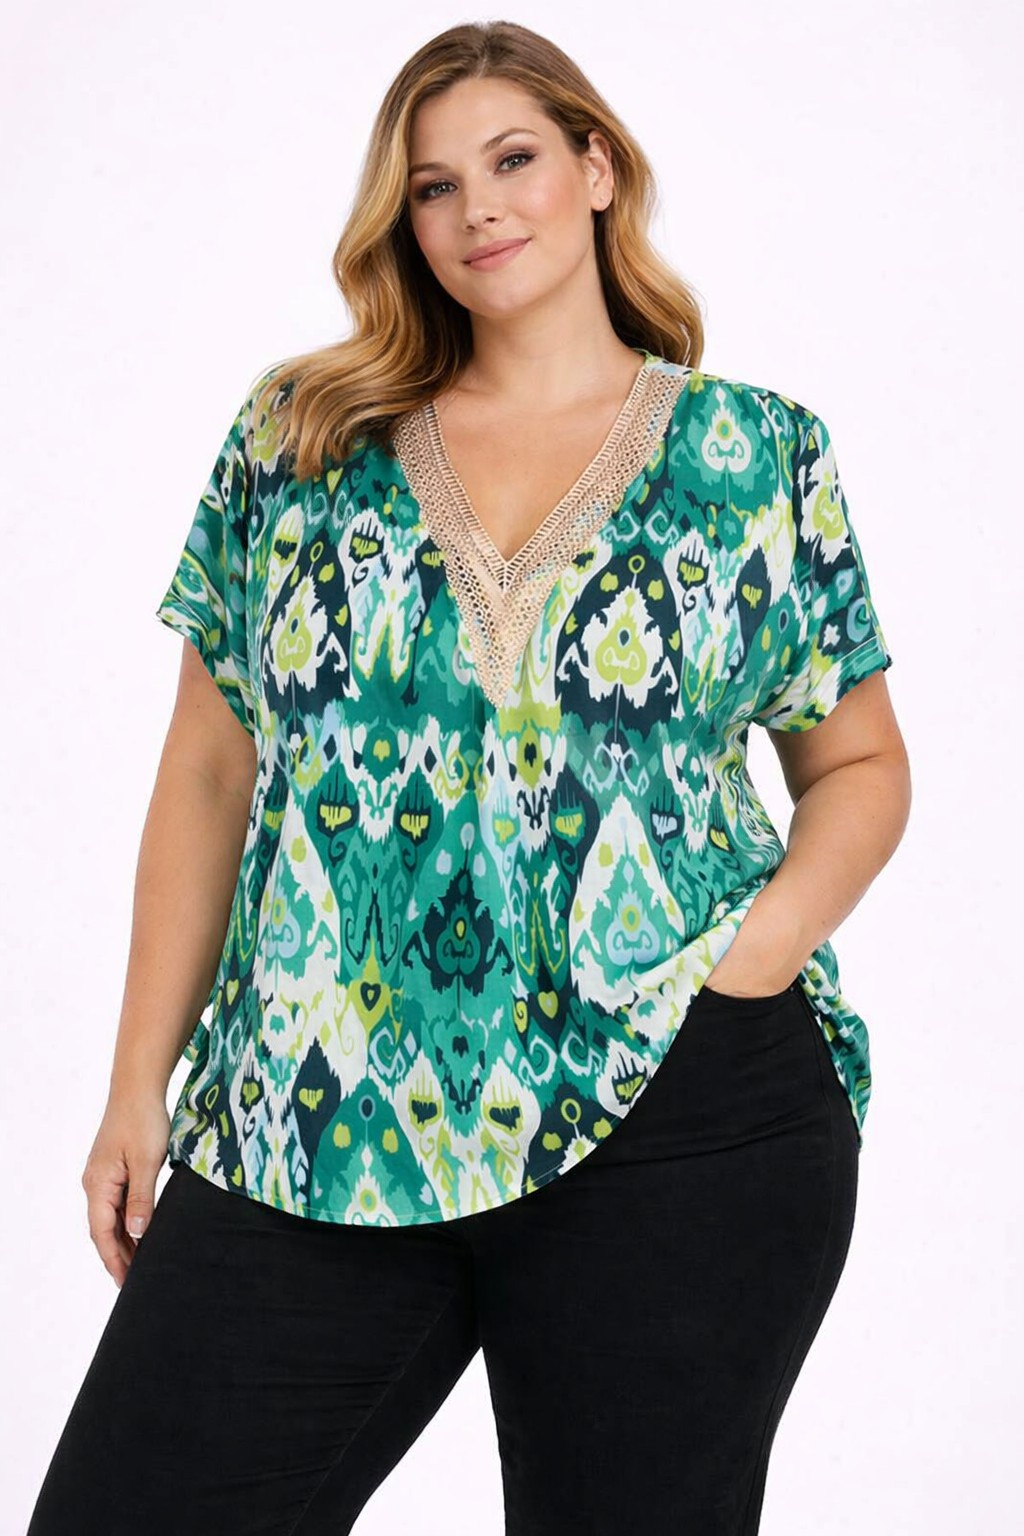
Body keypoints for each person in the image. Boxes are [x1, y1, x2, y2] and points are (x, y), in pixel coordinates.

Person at [26, 19, 911, 1536]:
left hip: (677, 1113)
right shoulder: (303, 438)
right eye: (434, 186)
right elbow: (208, 772)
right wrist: (135, 1086)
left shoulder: (754, 454)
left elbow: (864, 764)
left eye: (513, 161)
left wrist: (746, 967)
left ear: (597, 168)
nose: (477, 210)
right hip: (317, 1112)